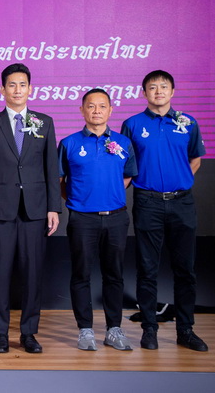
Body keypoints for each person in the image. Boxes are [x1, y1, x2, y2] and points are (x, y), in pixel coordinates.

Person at [0, 64, 60, 354]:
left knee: (33, 274)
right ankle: (0, 332)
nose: (17, 90)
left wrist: (53, 207)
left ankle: (29, 332)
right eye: (12, 85)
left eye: (22, 84)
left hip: (35, 211)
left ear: (30, 89)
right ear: (2, 90)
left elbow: (51, 168)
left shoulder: (44, 123)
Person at [121, 70, 208, 352]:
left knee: (185, 270)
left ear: (172, 91)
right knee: (147, 269)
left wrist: (178, 182)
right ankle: (149, 329)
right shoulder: (132, 124)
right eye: (152, 87)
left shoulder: (187, 122)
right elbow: (125, 166)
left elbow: (195, 159)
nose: (158, 91)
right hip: (148, 203)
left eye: (163, 87)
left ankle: (186, 330)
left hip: (182, 203)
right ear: (144, 92)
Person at [58, 88, 137, 351]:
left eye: (102, 106)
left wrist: (108, 194)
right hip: (82, 219)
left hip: (116, 218)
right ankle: (85, 330)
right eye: (91, 106)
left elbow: (127, 176)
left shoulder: (123, 143)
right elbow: (60, 180)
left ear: (110, 110)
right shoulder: (69, 143)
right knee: (81, 274)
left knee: (114, 275)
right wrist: (82, 200)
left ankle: (114, 330)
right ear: (82, 110)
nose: (96, 111)